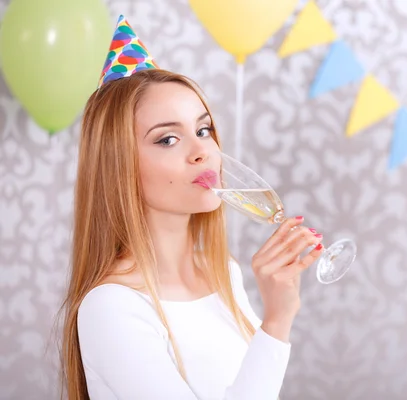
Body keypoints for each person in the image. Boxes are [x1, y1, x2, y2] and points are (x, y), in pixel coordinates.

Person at [59, 16, 323, 400]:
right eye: (167, 139)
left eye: (203, 131)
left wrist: (277, 320)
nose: (203, 152)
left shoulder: (223, 274)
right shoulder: (112, 306)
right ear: (119, 167)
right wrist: (277, 321)